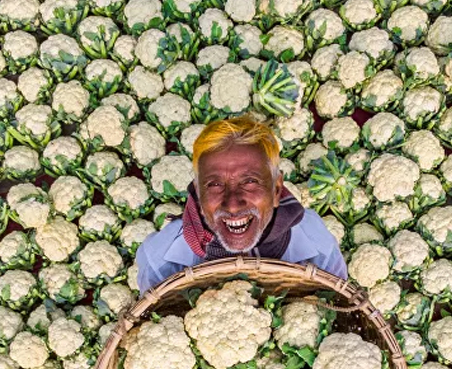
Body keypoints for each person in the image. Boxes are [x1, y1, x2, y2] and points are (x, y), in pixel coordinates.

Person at [135, 115, 348, 294]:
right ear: (198, 196)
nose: (233, 204)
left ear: (276, 190)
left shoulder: (315, 242)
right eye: (215, 184)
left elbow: (340, 298)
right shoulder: (161, 258)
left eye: (249, 181)